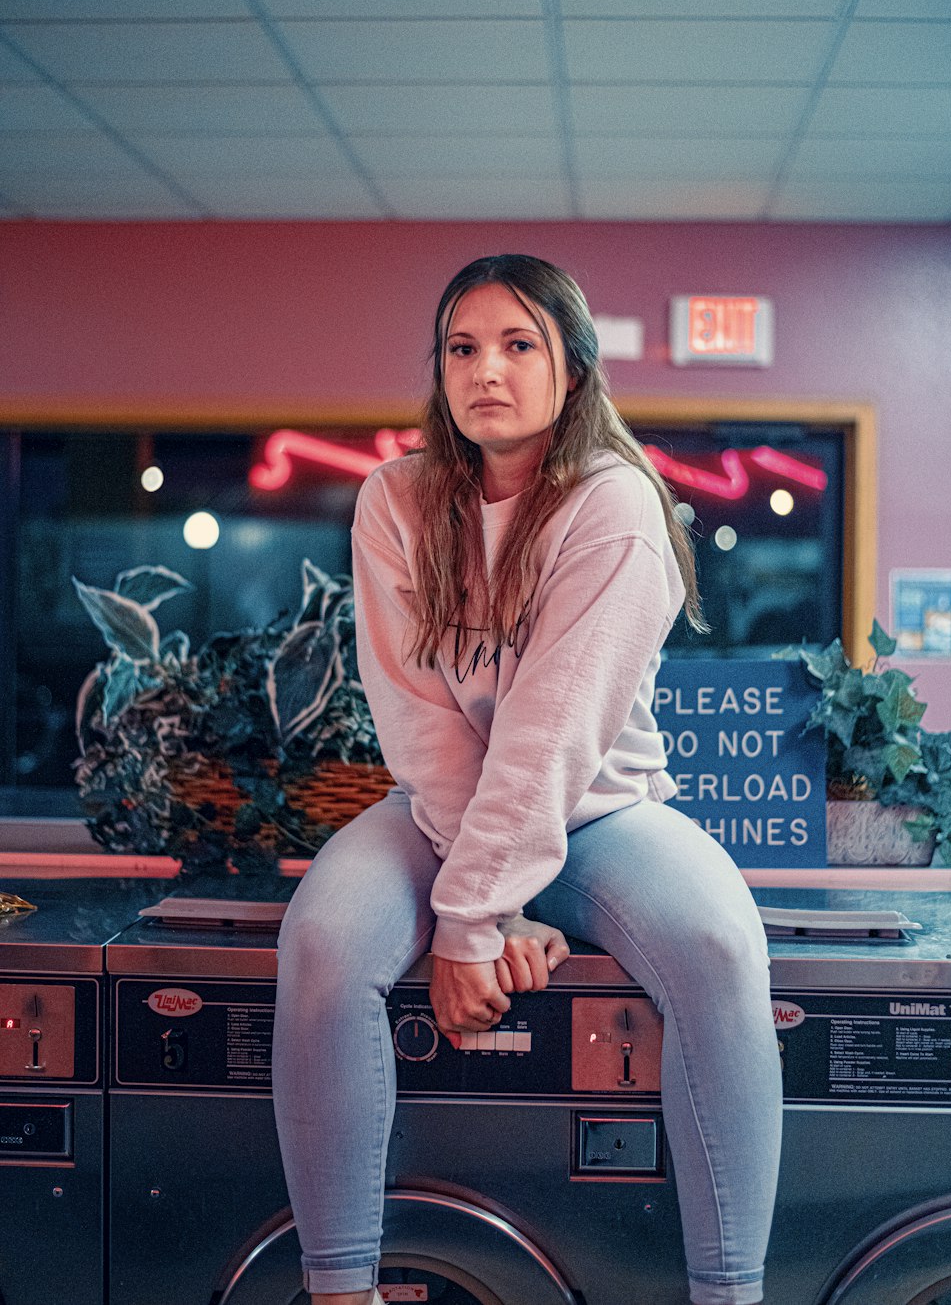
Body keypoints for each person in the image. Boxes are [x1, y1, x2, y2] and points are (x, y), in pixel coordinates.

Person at [271, 254, 782, 1305]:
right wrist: (484, 908)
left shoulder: (615, 505)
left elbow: (554, 733)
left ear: (574, 370)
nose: (485, 371)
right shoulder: (396, 501)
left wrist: (470, 923)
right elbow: (417, 714)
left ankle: (728, 1293)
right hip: (442, 806)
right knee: (321, 942)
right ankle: (340, 1288)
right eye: (462, 348)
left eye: (518, 345)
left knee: (720, 945)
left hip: (601, 811)